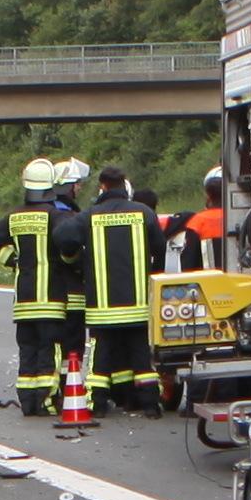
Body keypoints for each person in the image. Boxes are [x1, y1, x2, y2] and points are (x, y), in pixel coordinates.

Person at [2, 185, 81, 403]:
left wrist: (14, 260)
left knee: (27, 353)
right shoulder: (55, 216)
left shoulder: (14, 216)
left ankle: (28, 402)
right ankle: (46, 401)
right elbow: (70, 240)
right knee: (48, 353)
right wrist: (69, 260)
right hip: (50, 302)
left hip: (24, 302)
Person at [84, 169, 157, 406]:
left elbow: (64, 237)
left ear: (103, 186)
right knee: (141, 357)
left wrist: (77, 260)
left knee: (102, 358)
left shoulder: (91, 215)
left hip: (103, 310)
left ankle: (100, 404)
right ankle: (148, 404)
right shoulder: (144, 212)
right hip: (138, 306)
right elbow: (160, 247)